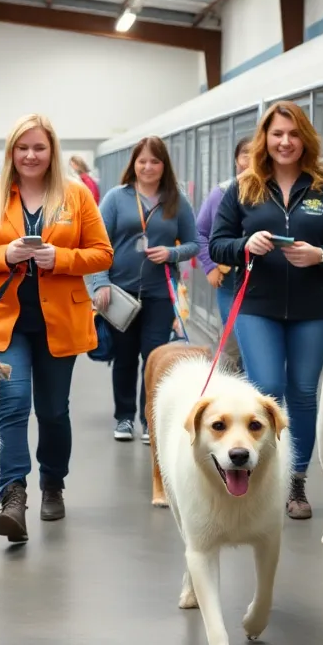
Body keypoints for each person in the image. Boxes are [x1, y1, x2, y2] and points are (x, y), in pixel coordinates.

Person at [0, 113, 112, 542]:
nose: (30, 155)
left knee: (54, 411)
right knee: (12, 402)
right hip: (5, 322)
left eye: (39, 147)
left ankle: (53, 483)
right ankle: (14, 494)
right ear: (11, 152)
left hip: (60, 321)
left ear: (52, 151)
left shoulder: (76, 195)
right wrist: (3, 254)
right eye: (22, 148)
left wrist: (59, 259)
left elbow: (102, 254)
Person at [209, 99, 323, 520]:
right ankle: (262, 475)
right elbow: (217, 244)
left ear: (305, 139)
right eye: (277, 134)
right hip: (257, 305)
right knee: (267, 389)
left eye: (293, 134)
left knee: (302, 392)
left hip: (313, 310)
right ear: (265, 139)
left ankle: (295, 479)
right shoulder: (244, 187)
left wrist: (321, 255)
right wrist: (245, 246)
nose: (285, 141)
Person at [87, 136, 197, 443]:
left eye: (155, 161)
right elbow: (99, 243)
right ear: (133, 164)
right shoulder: (116, 198)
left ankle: (150, 418)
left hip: (160, 292)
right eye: (142, 161)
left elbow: (194, 243)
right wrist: (100, 282)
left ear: (164, 167)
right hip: (119, 293)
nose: (148, 167)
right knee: (124, 357)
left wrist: (171, 253)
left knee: (154, 357)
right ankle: (123, 418)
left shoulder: (176, 200)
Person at [195, 137, 250, 373]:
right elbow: (199, 232)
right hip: (229, 282)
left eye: (256, 153)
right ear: (236, 160)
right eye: (245, 154)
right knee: (235, 338)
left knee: (256, 345)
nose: (250, 160)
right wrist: (209, 266)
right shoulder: (222, 192)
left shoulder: (276, 192)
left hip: (266, 284)